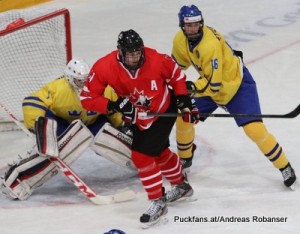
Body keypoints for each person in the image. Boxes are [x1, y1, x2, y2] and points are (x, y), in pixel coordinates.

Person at [80, 29, 200, 227]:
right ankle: (182, 186)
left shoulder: (156, 58)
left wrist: (183, 100)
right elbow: (87, 98)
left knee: (141, 156)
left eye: (138, 52)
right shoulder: (104, 66)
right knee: (159, 153)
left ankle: (158, 202)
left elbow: (176, 76)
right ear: (121, 52)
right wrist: (113, 105)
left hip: (162, 111)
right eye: (130, 54)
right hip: (138, 117)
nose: (135, 57)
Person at [172, 5, 296, 189]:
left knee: (255, 130)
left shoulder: (209, 44)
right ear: (182, 25)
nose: (193, 29)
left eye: (196, 24)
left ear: (201, 23)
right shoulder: (180, 40)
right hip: (210, 85)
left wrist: (191, 88)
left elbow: (214, 85)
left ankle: (284, 166)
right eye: (189, 25)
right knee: (184, 116)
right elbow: (175, 68)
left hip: (236, 86)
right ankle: (185, 159)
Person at [1, 58, 134, 201]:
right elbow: (31, 101)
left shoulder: (104, 89)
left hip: (94, 123)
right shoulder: (58, 88)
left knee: (112, 140)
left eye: (86, 79)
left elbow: (113, 110)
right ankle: (19, 182)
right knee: (64, 147)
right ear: (70, 79)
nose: (84, 84)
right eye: (79, 80)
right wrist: (38, 127)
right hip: (62, 124)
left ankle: (150, 166)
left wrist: (122, 125)